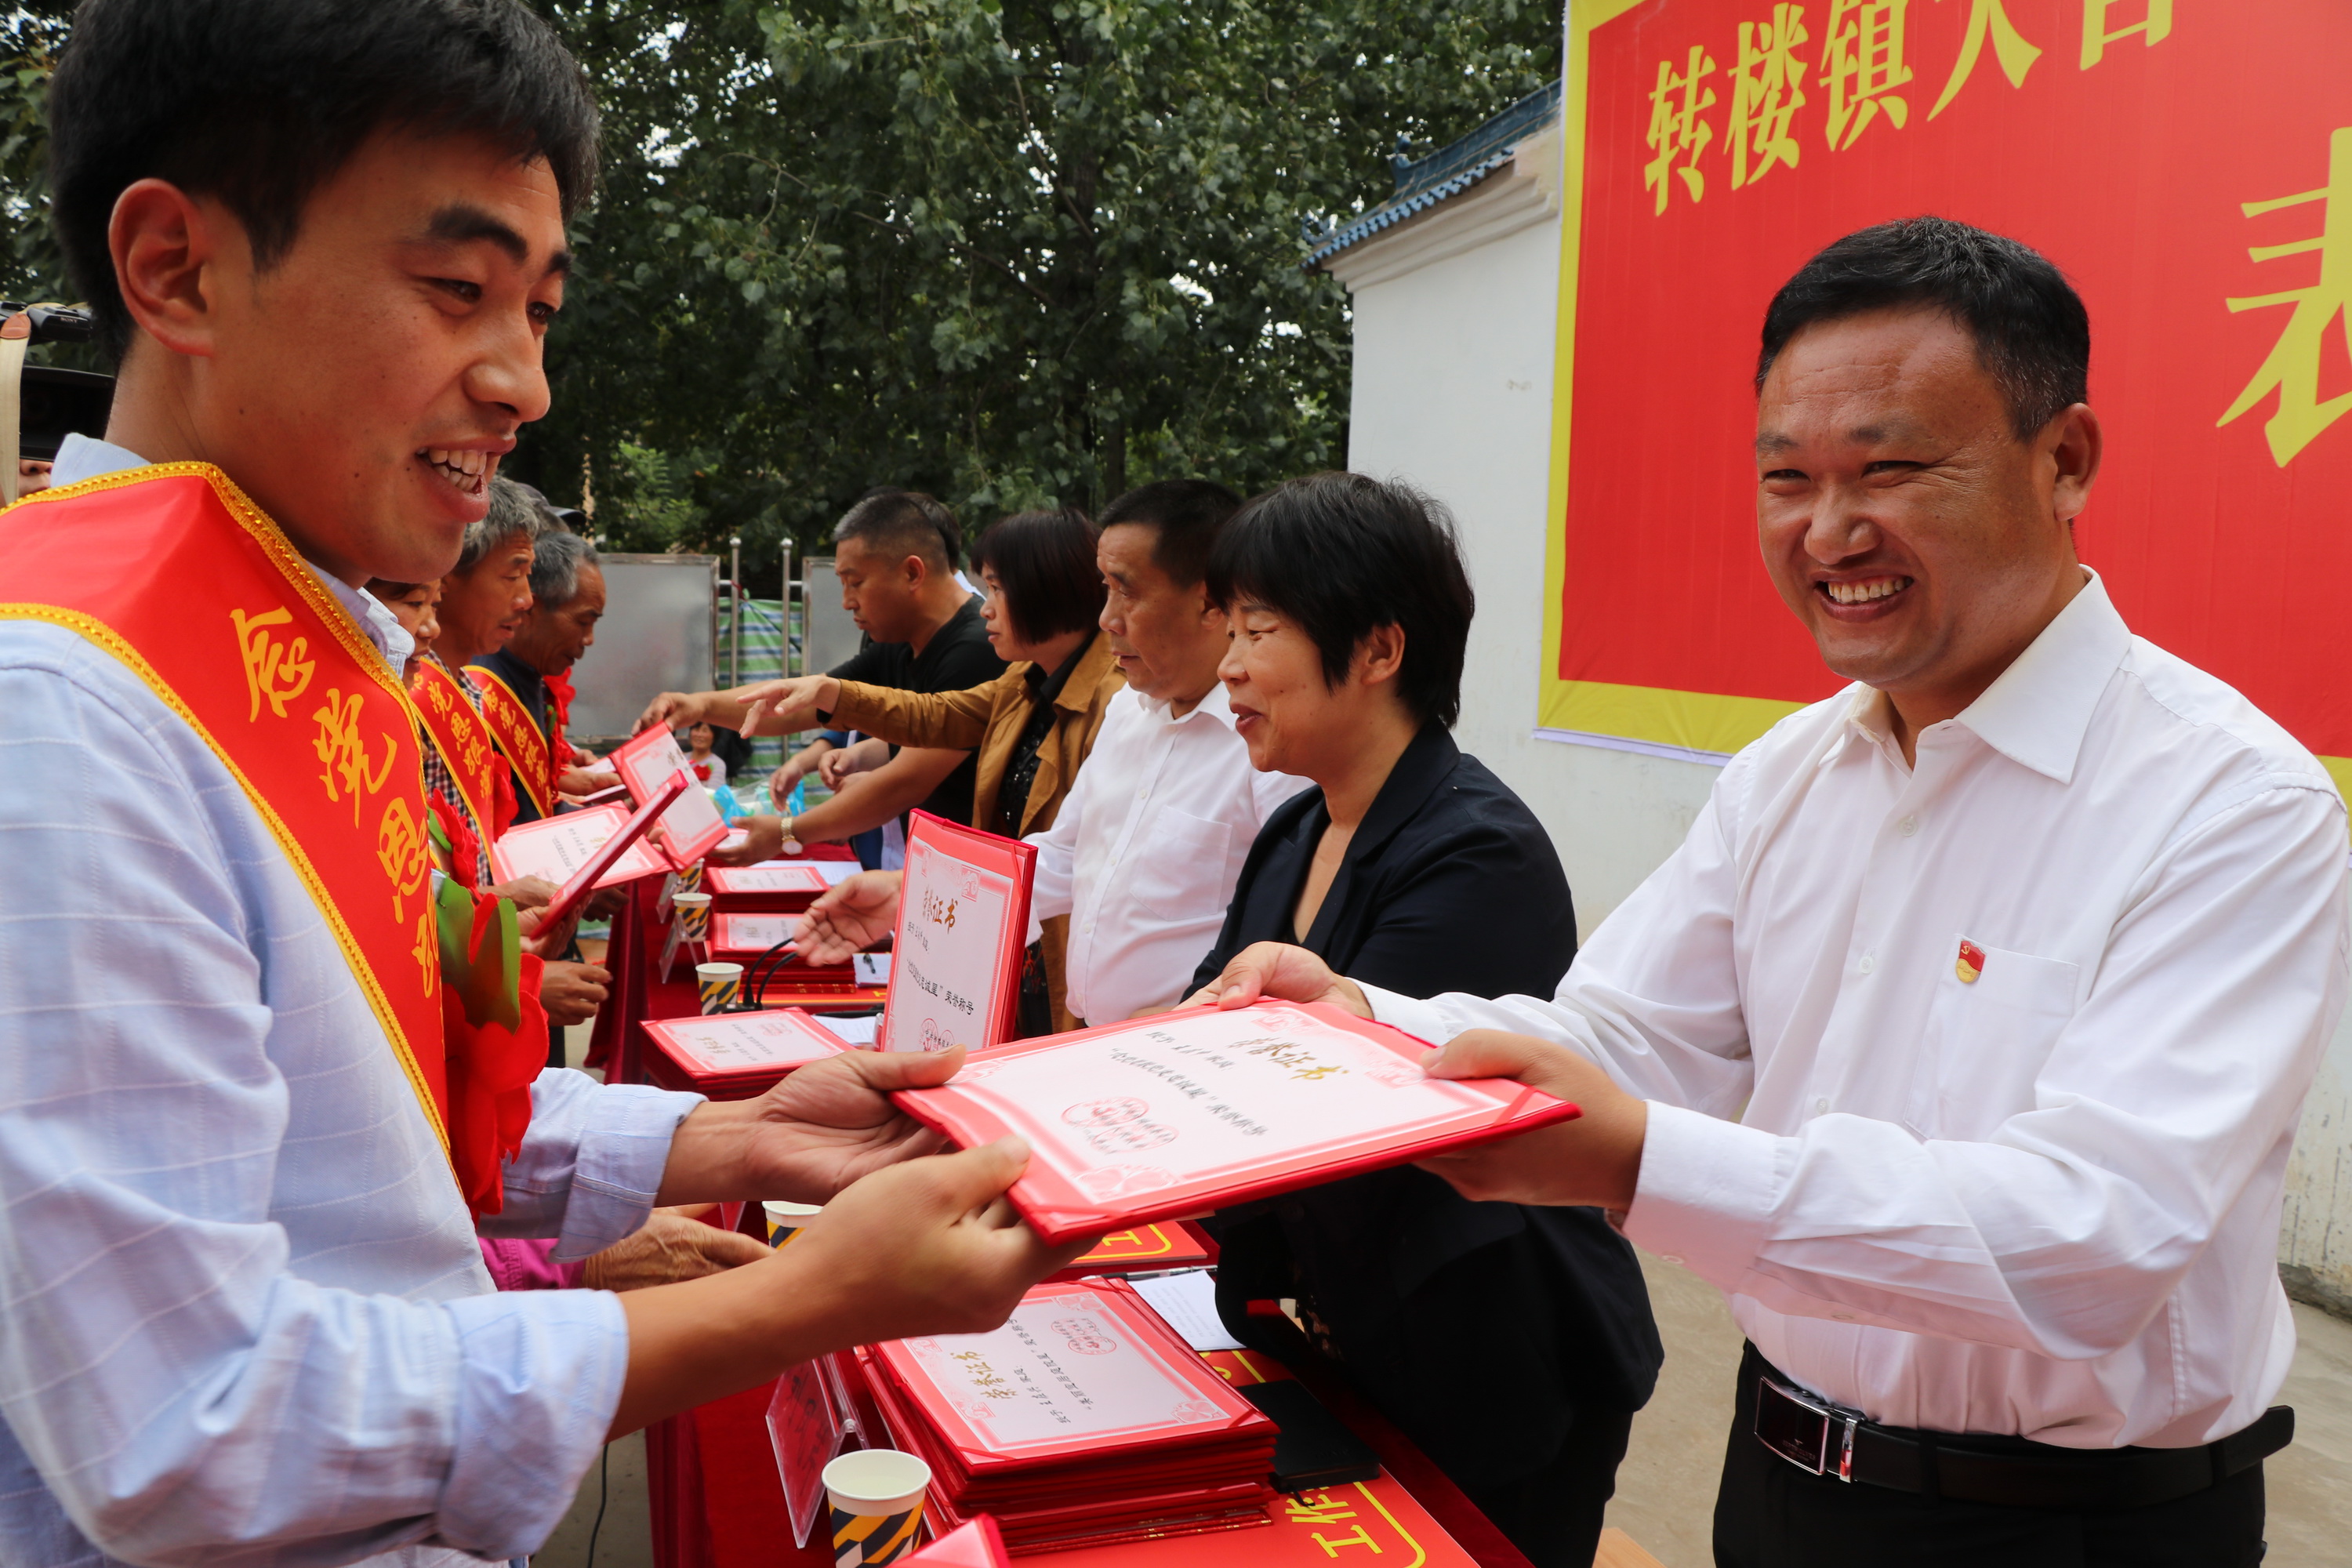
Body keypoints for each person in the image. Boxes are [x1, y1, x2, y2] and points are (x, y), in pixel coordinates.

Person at [0, 9, 1081, 1568]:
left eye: (541, 308)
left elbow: (370, 1128)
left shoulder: (274, 643)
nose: (525, 382)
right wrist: (810, 1297)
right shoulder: (65, 712)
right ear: (179, 271)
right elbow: (188, 1419)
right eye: (458, 288)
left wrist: (737, 1140)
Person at [1194, 219, 2344, 1566]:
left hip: (2076, 1530)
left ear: (2066, 460)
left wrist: (1640, 1160)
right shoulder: (1789, 775)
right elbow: (1622, 1036)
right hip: (1780, 1477)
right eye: (1787, 477)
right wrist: (1366, 1024)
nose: (1831, 530)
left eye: (1891, 468)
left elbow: (2095, 1238)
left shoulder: (2229, 802)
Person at [1148, 474, 1654, 1568]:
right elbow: (1199, 1021)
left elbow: (1315, 1109)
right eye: (1228, 632)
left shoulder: (1479, 851)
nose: (1229, 665)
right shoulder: (1293, 832)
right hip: (1347, 1324)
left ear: (1379, 649)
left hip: (1493, 1358)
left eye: (1259, 631)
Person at [790, 481, 1315, 1032]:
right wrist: (912, 893)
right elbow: (1063, 856)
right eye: (1104, 589)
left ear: (1208, 602)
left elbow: (1290, 939)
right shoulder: (1127, 710)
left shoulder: (1268, 746)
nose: (1108, 617)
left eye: (1127, 592)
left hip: (1193, 1047)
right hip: (1093, 1039)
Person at [701, 506, 1121, 1030]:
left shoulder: (1117, 703)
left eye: (996, 589)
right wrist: (830, 694)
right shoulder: (1024, 680)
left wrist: (793, 831)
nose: (986, 608)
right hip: (1009, 931)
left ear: (1045, 590)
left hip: (1065, 956)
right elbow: (934, 715)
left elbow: (1078, 859)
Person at [639, 487, 1006, 856]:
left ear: (912, 572)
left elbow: (903, 783)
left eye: (855, 583)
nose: (846, 602)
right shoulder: (901, 641)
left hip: (975, 866)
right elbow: (805, 703)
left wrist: (788, 832)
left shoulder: (977, 649)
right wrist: (698, 706)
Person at [473, 521, 612, 819]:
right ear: (532, 608)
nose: (589, 639)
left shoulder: (531, 676)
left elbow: (536, 807)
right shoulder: (479, 689)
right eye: (583, 622)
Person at [685, 719, 729, 786]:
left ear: (714, 736)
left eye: (705, 731)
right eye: (696, 729)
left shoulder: (718, 764)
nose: (699, 735)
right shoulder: (681, 760)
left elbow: (713, 790)